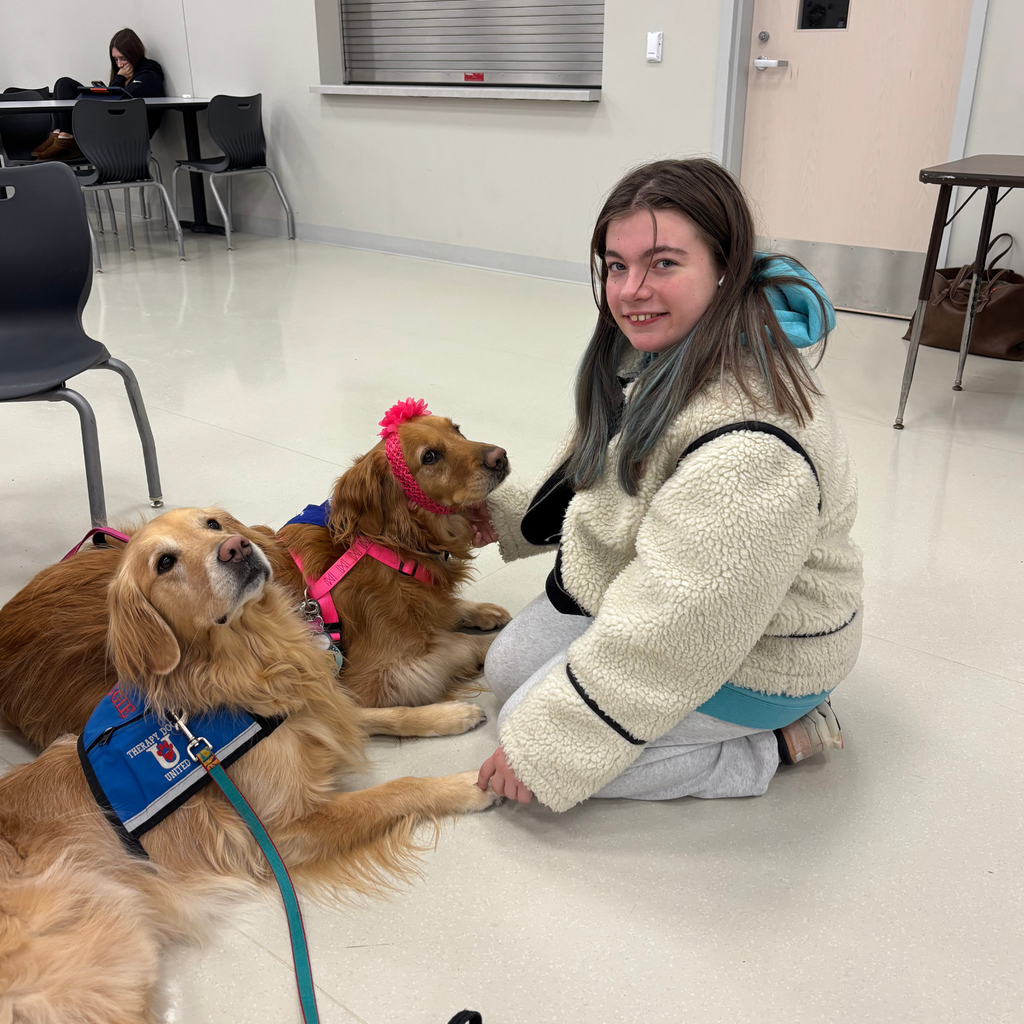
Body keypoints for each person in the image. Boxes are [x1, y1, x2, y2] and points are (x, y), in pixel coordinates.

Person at [472, 158, 863, 812]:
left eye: (663, 264)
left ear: (724, 265)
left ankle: (777, 742)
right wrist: (511, 516)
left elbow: (681, 625)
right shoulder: (664, 347)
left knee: (541, 748)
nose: (630, 291)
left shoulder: (752, 444)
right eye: (617, 266)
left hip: (759, 652)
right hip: (688, 593)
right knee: (506, 670)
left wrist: (550, 745)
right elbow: (601, 466)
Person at [34, 28, 165, 162]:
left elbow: (120, 104)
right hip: (109, 125)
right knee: (64, 84)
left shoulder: (147, 76)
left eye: (123, 58)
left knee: (71, 91)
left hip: (125, 135)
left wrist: (118, 80)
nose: (119, 64)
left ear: (134, 55)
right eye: (115, 59)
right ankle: (61, 135)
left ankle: (67, 141)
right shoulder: (126, 75)